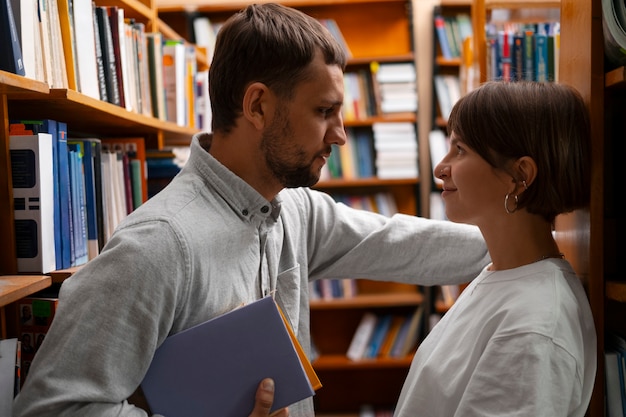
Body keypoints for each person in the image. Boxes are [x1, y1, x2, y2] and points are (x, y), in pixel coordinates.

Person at [12, 4, 489, 417]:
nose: (341, 135)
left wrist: (537, 240)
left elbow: (399, 242)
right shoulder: (158, 244)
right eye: (324, 111)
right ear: (257, 106)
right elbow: (54, 408)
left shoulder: (293, 207)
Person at [395, 81, 595, 416]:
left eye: (460, 150)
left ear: (519, 176)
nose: (440, 168)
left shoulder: (534, 328)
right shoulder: (504, 274)